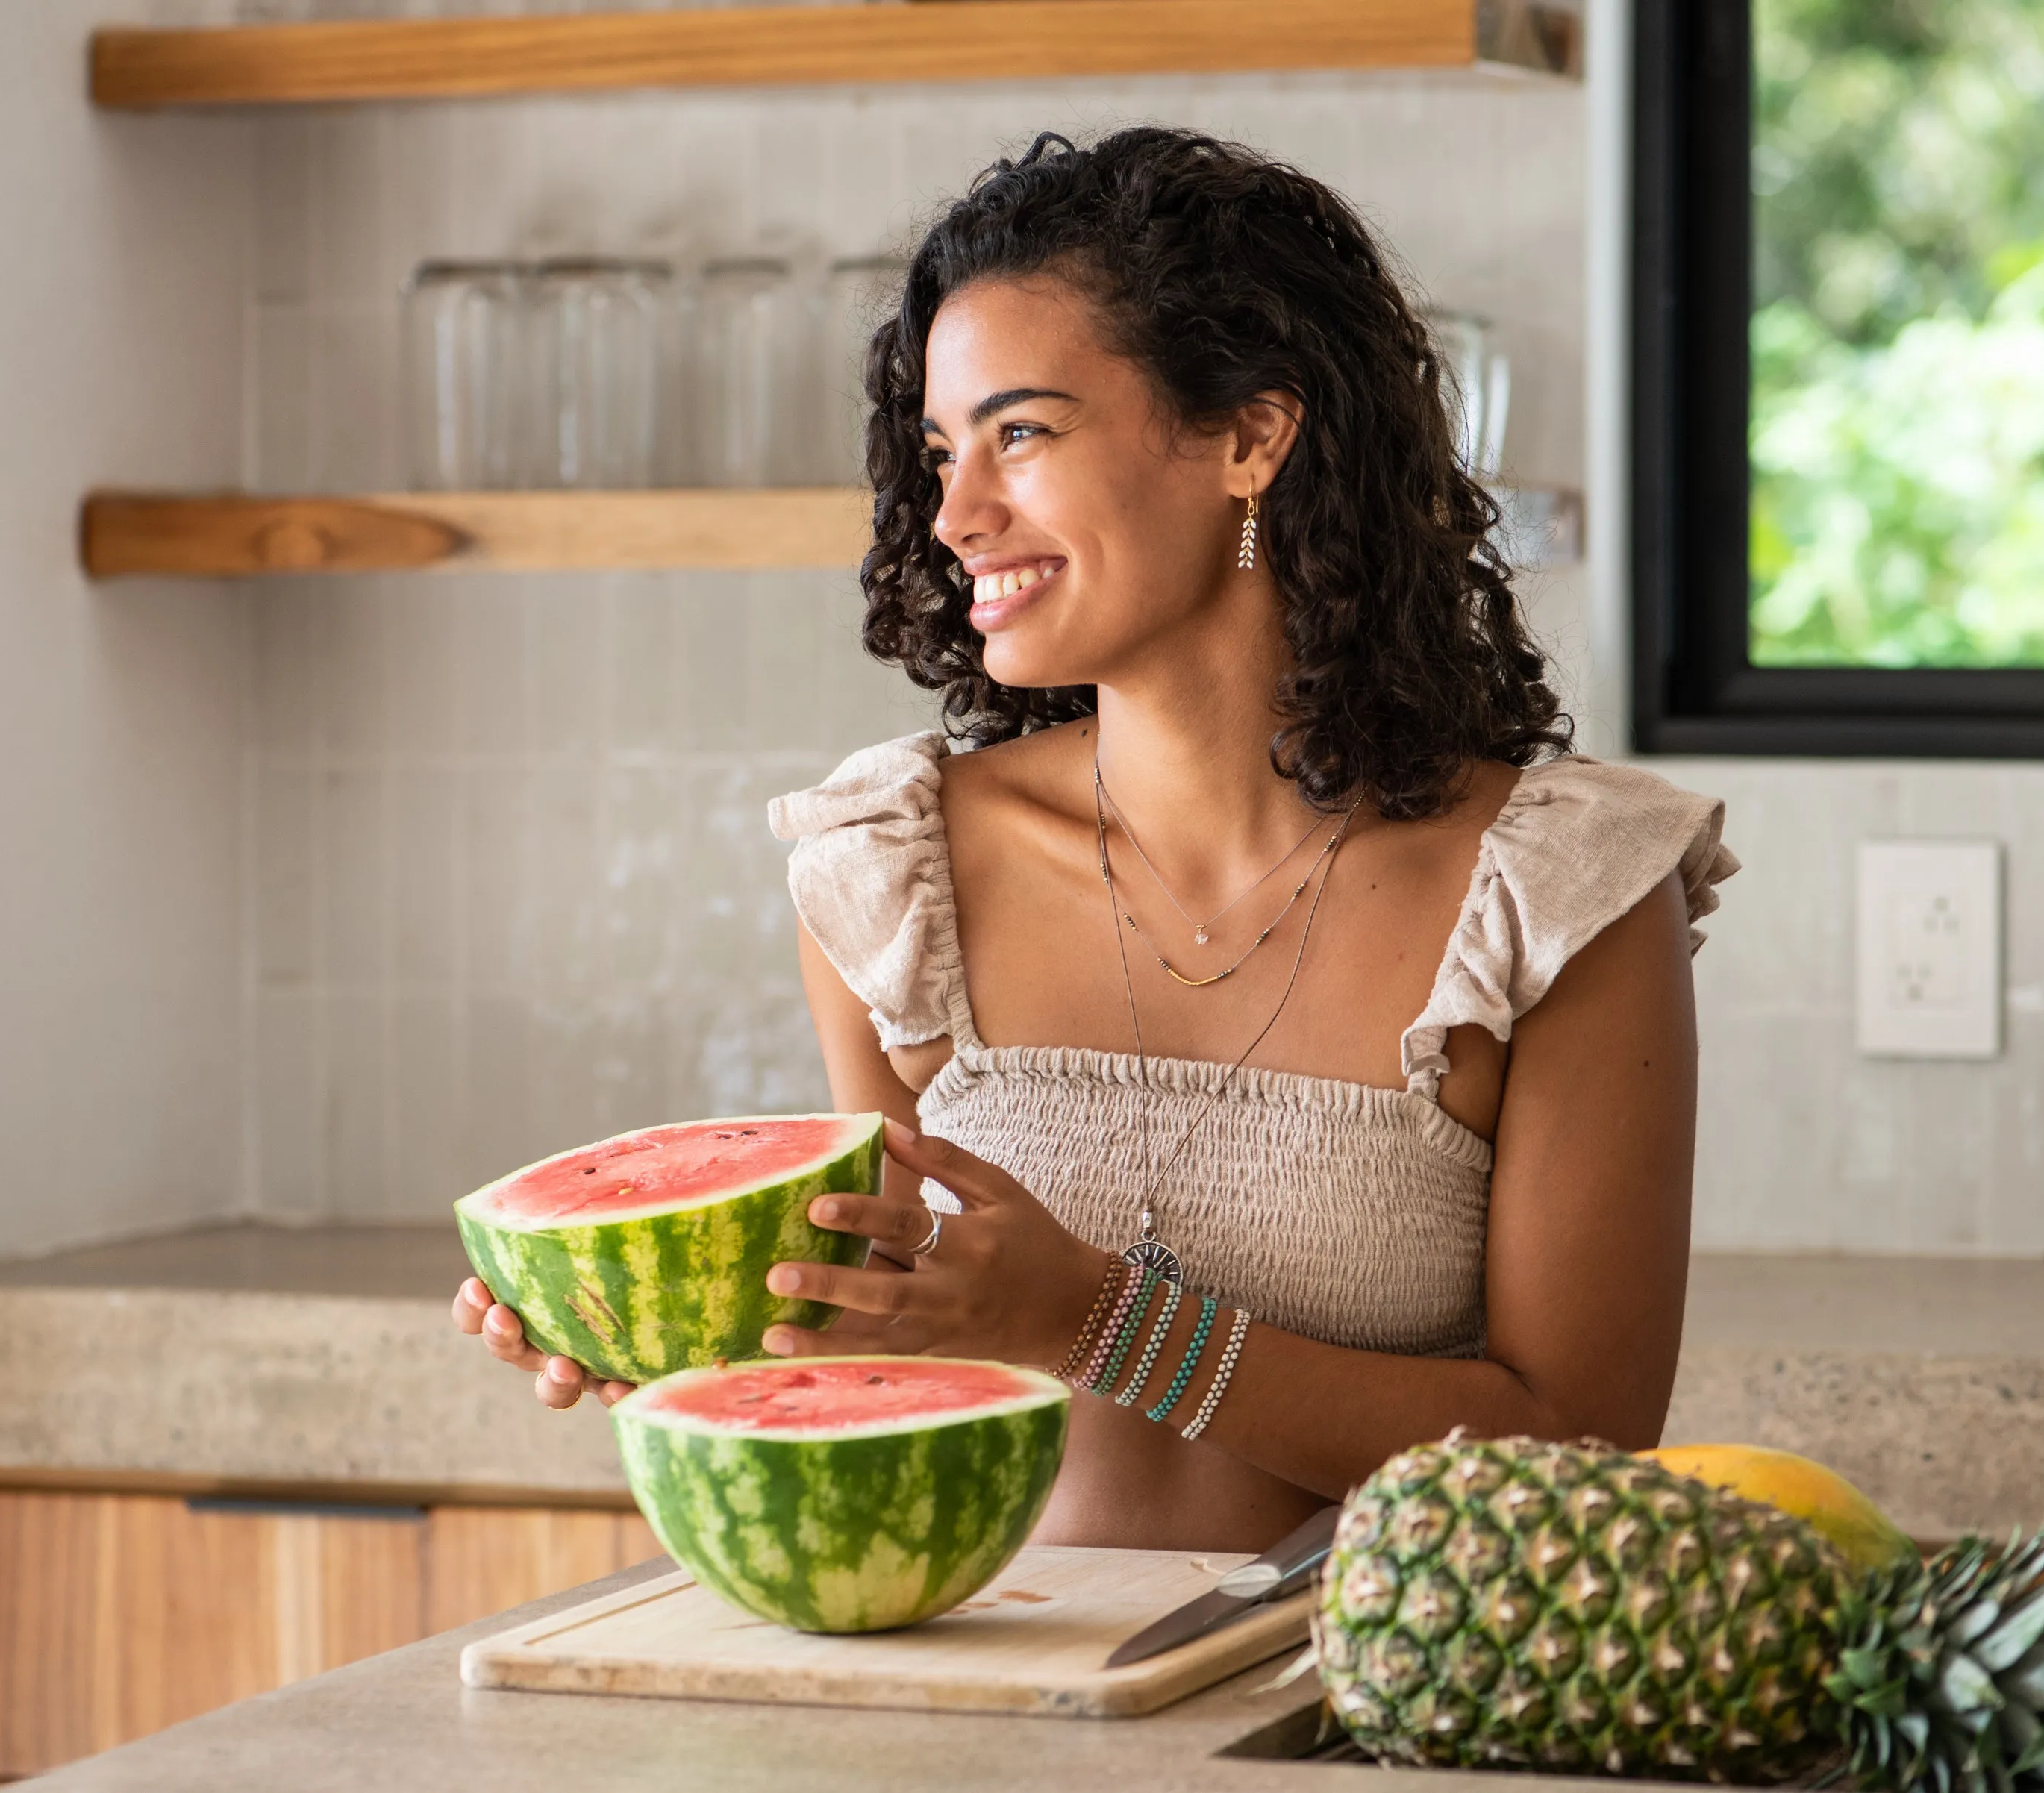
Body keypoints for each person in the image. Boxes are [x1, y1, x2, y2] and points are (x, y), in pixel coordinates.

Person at [456, 128, 1735, 1553]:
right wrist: (684, 1341)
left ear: (1251, 436)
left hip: (1364, 1726)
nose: (955, 514)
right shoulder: (893, 875)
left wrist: (1102, 1320)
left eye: (1022, 432)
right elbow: (895, 1358)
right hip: (985, 1710)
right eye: (940, 450)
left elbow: (1585, 1441)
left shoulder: (1556, 891)